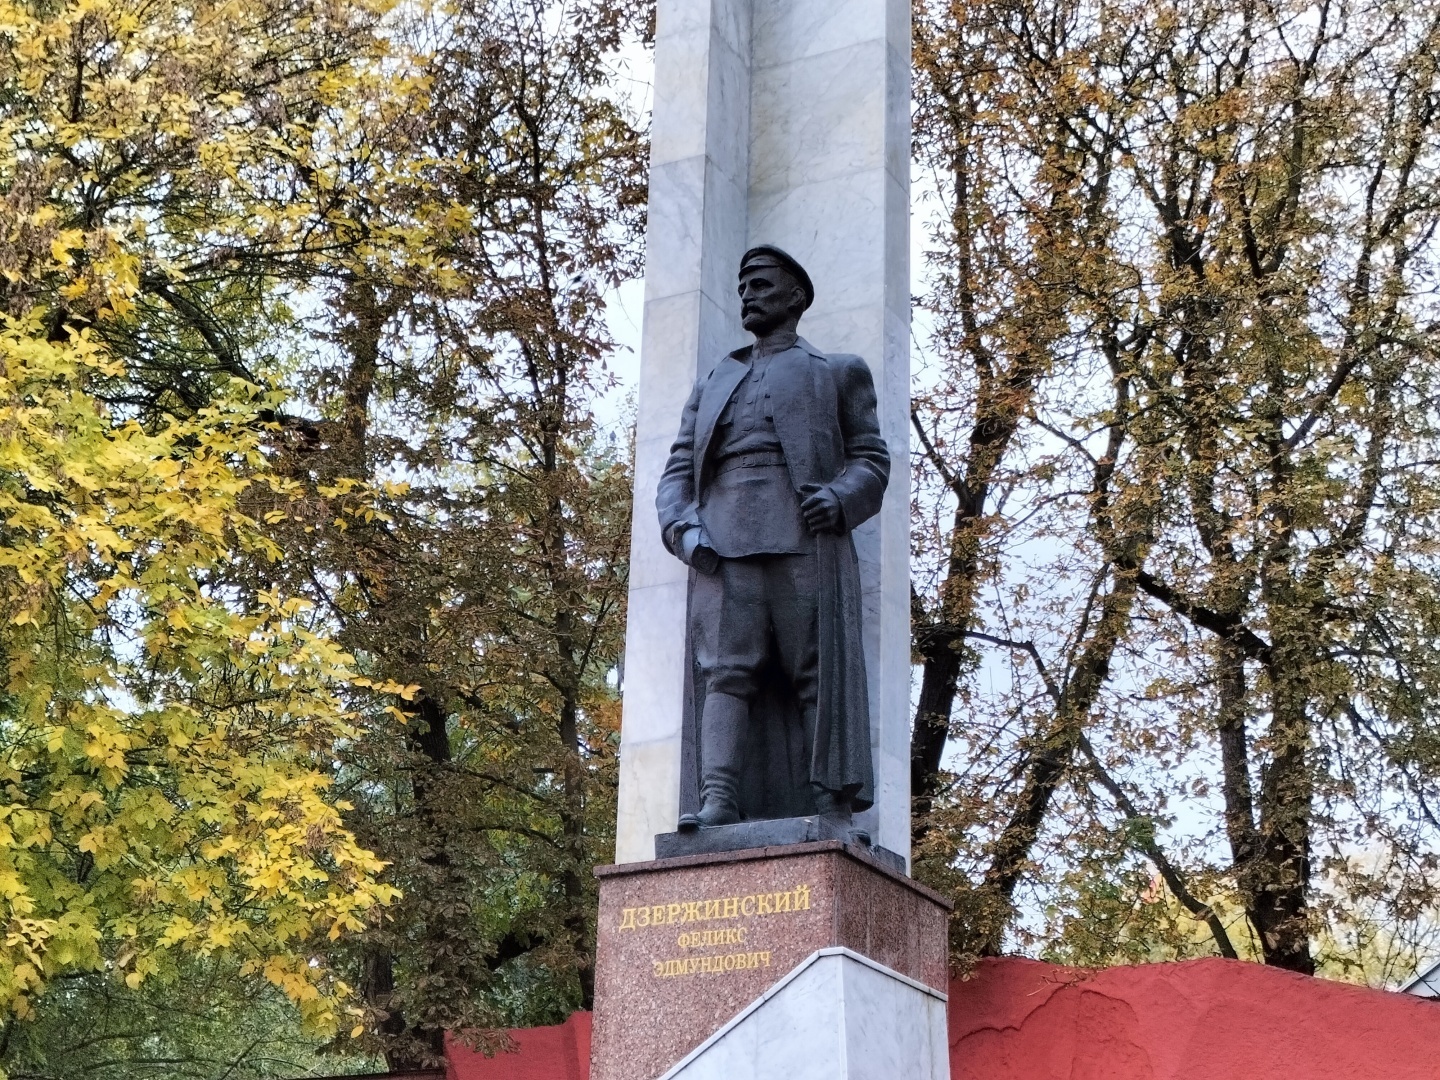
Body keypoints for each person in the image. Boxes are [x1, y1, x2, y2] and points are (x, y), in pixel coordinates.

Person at [657, 245, 890, 830]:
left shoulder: (838, 371)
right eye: (742, 287)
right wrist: (682, 528)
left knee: (814, 671)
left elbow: (871, 458)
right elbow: (679, 470)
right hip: (722, 547)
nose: (747, 296)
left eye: (760, 285)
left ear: (794, 296)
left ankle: (828, 801)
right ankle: (719, 800)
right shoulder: (714, 380)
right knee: (725, 673)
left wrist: (840, 497)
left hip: (802, 540)